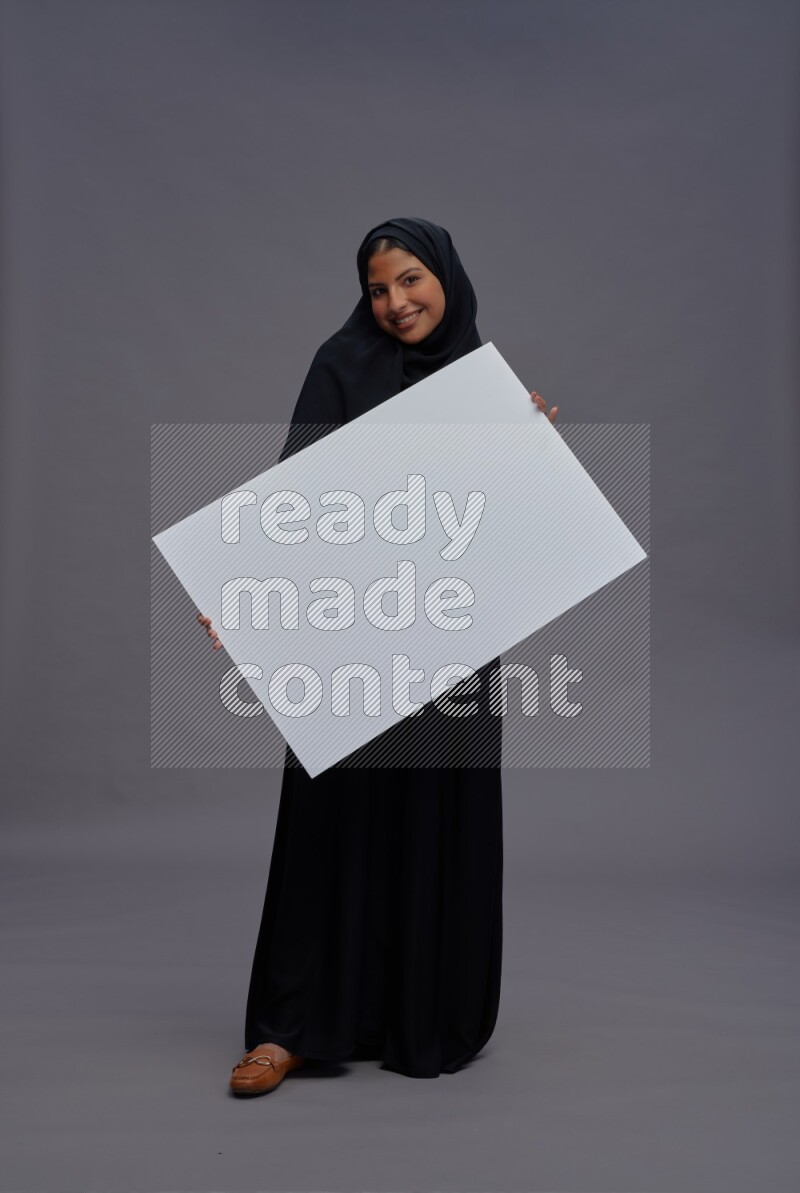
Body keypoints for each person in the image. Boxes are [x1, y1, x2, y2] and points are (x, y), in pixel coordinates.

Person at [197, 217, 558, 1094]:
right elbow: (292, 491)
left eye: (409, 280)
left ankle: (421, 1020)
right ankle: (285, 1030)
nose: (395, 303)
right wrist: (239, 589)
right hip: (349, 639)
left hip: (454, 642)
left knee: (438, 814)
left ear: (444, 276)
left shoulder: (485, 385)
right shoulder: (340, 364)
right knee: (329, 822)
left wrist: (533, 450)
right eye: (377, 288)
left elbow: (506, 534)